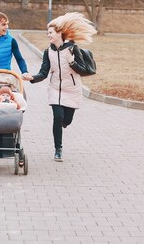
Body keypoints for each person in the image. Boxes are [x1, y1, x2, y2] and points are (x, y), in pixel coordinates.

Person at [23, 12, 97, 162]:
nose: (48, 35)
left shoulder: (73, 49)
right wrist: (32, 78)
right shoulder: (48, 52)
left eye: (50, 32)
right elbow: (44, 73)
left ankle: (63, 124)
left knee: (66, 121)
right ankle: (58, 149)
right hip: (55, 89)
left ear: (59, 33)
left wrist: (71, 62)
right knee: (57, 117)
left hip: (72, 89)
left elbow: (82, 70)